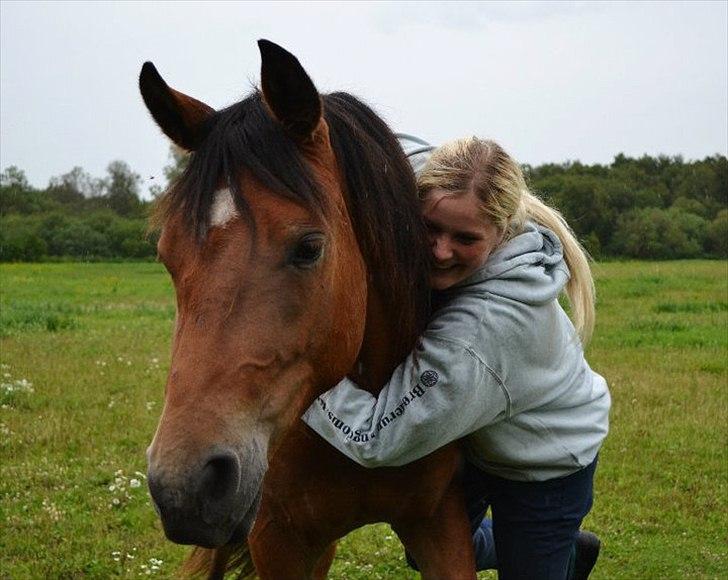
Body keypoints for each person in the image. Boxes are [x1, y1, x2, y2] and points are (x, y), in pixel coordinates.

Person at [302, 134, 610, 579]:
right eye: (430, 228)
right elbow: (357, 146)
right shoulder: (433, 177)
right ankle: (542, 549)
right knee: (426, 547)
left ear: (502, 233)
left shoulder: (485, 330)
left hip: (543, 463)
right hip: (477, 432)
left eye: (464, 238)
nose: (440, 250)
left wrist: (302, 374)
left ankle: (559, 552)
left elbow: (375, 436)